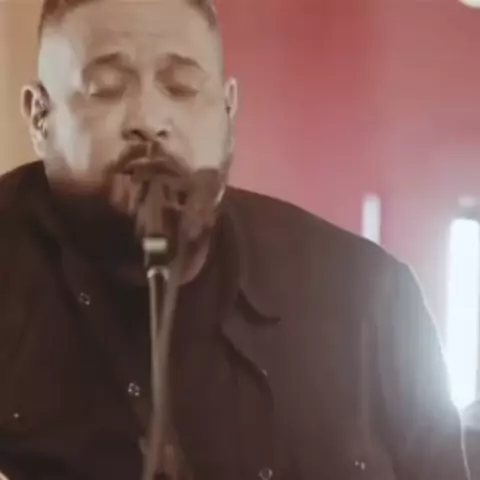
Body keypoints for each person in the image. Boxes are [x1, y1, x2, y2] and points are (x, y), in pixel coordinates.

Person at [0, 0, 469, 479]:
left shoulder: (368, 293)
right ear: (40, 117)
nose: (149, 118)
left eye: (182, 87)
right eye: (106, 88)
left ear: (227, 109)